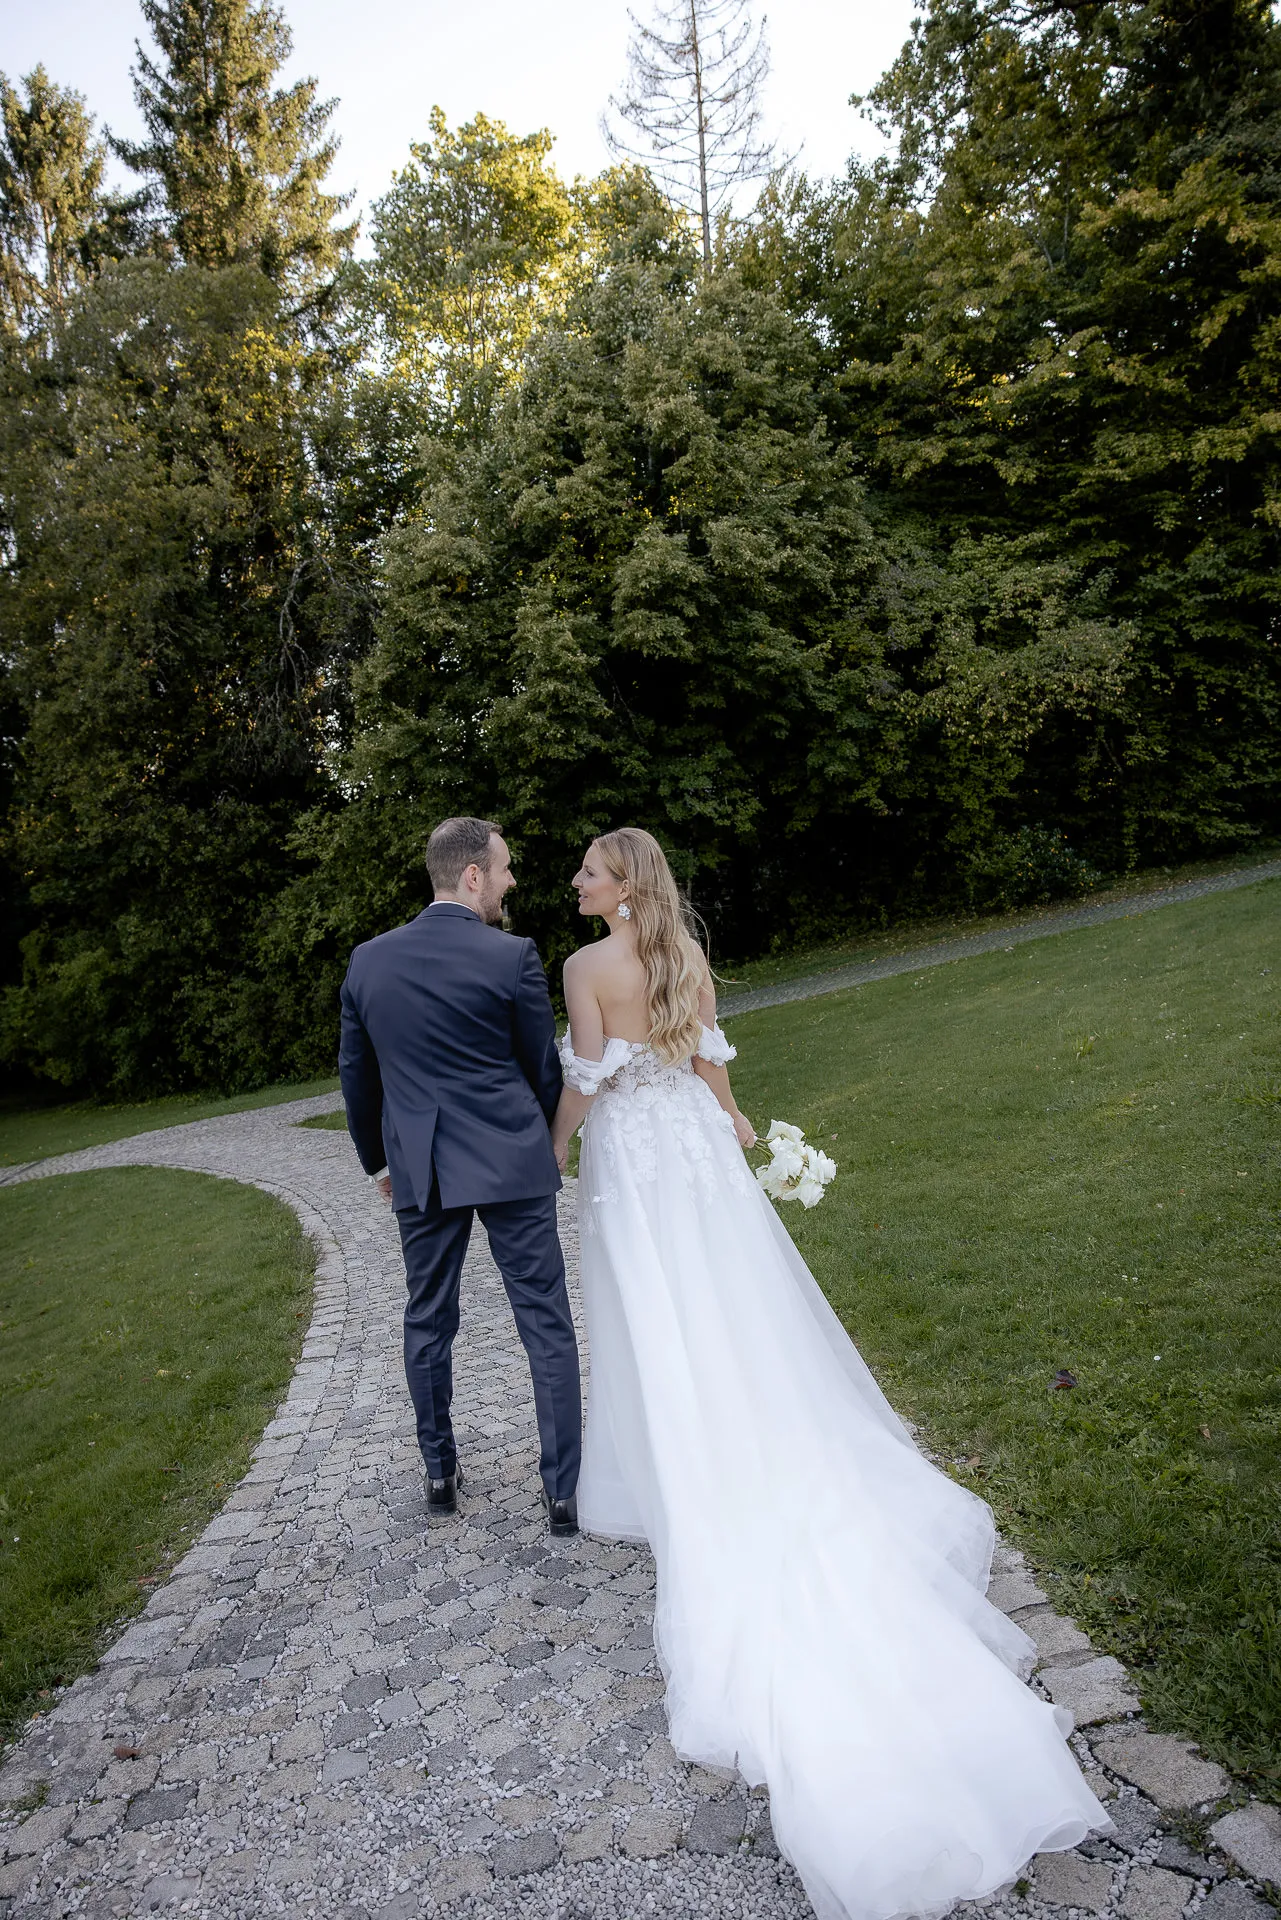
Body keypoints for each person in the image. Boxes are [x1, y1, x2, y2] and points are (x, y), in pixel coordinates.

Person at [551, 826, 1109, 1920]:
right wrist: (734, 1122)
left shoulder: (582, 968)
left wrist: (557, 1143)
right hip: (699, 1163)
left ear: (621, 885)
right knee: (737, 1304)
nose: (575, 882)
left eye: (588, 870)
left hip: (636, 1165)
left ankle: (690, 1460)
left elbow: (587, 1081)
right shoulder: (684, 955)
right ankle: (761, 1426)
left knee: (658, 1316)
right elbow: (707, 1065)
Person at [340, 816, 581, 1536]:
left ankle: (439, 1473)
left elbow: (358, 1076)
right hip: (510, 1155)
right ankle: (562, 1491)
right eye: (503, 869)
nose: (510, 881)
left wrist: (380, 1160)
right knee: (544, 1318)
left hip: (422, 1165)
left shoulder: (368, 962)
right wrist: (536, 1140)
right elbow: (542, 1066)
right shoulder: (511, 956)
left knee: (427, 1316)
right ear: (472, 874)